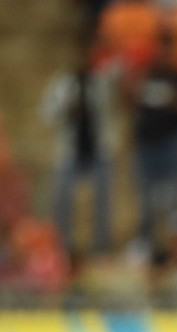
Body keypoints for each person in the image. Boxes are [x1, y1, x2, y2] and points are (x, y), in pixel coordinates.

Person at [40, 34, 119, 260]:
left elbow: (120, 77)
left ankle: (100, 247)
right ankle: (63, 247)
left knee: (102, 203)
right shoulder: (62, 85)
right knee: (62, 201)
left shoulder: (101, 83)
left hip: (98, 151)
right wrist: (67, 110)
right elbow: (46, 115)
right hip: (70, 152)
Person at [125, 29, 177, 262]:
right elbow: (129, 102)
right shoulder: (146, 75)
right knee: (146, 199)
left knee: (174, 200)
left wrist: (170, 98)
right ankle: (145, 243)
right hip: (146, 144)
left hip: (170, 144)